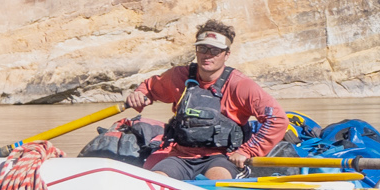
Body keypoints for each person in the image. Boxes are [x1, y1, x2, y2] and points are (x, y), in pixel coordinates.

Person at [121, 20, 287, 181]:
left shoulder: (241, 85)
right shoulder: (178, 76)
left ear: (226, 54)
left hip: (222, 158)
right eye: (202, 48)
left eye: (215, 50)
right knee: (157, 180)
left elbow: (277, 119)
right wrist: (139, 94)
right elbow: (149, 88)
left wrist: (247, 151)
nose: (207, 55)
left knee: (216, 180)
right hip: (181, 157)